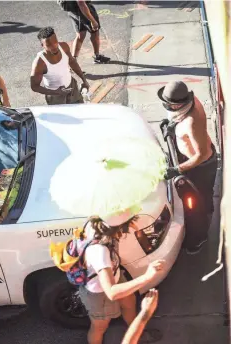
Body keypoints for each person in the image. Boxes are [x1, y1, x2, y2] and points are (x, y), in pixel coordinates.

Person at [78, 214, 165, 344]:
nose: (124, 233)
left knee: (129, 304)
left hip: (116, 276)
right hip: (99, 293)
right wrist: (147, 276)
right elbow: (112, 292)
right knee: (100, 326)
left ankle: (137, 332)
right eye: (124, 229)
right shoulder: (99, 251)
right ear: (116, 229)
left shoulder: (99, 223)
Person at [158, 81, 218, 254]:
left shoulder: (192, 122)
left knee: (198, 204)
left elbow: (200, 155)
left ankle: (199, 238)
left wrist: (177, 170)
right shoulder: (186, 107)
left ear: (179, 105)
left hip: (201, 168)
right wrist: (171, 127)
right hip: (189, 160)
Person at [30, 26, 89, 105]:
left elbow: (72, 62)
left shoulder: (63, 47)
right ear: (42, 45)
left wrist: (84, 80)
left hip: (72, 86)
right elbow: (34, 86)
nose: (54, 46)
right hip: (55, 97)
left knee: (80, 110)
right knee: (63, 117)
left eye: (55, 42)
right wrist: (55, 92)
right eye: (49, 45)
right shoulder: (39, 63)